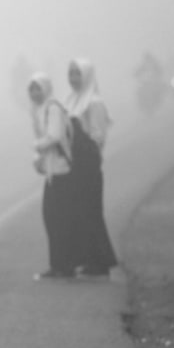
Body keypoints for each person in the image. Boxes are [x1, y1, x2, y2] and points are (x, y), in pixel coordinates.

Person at [66, 58, 118, 277]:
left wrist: (81, 139)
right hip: (73, 164)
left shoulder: (94, 102)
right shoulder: (71, 100)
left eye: (78, 74)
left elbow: (98, 136)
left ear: (87, 76)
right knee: (79, 212)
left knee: (91, 212)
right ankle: (88, 258)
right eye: (71, 74)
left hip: (88, 163)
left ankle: (101, 260)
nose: (73, 79)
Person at [27, 73, 77, 279]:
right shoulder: (39, 110)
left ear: (46, 89)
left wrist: (36, 146)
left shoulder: (53, 108)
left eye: (38, 88)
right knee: (53, 219)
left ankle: (64, 266)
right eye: (31, 89)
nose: (34, 93)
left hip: (61, 170)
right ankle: (59, 265)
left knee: (58, 219)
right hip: (52, 171)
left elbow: (54, 136)